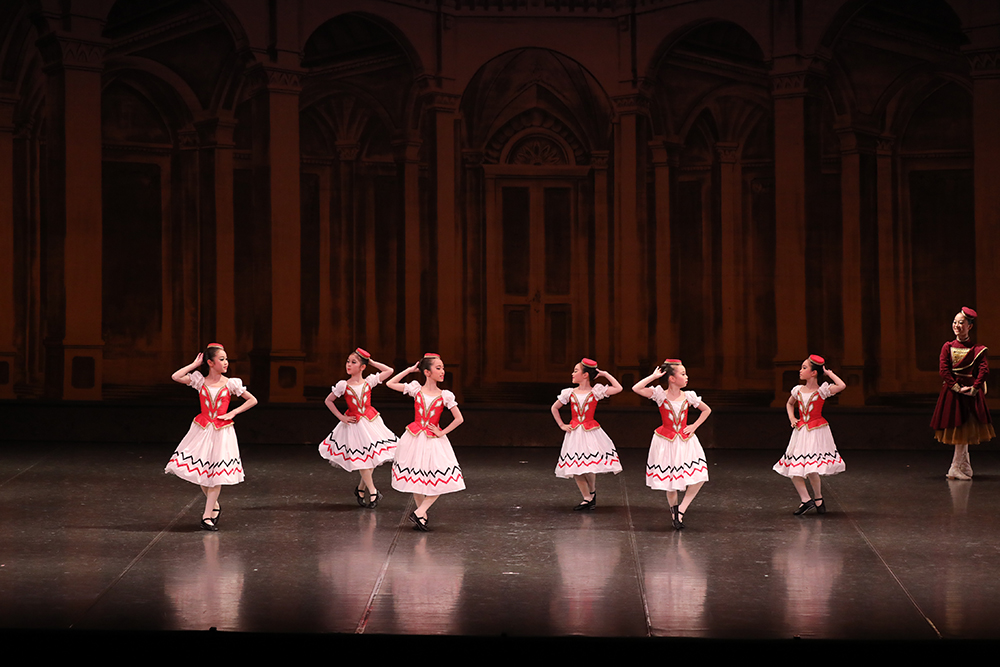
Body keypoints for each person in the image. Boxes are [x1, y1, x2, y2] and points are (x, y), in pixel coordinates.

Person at [165, 343, 257, 531]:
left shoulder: (230, 383)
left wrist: (233, 412)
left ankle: (206, 516)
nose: (226, 362)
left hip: (221, 432)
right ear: (210, 362)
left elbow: (252, 400)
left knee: (216, 475)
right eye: (221, 359)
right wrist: (194, 364)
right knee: (202, 472)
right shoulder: (200, 381)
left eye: (226, 359)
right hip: (202, 429)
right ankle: (214, 505)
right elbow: (176, 376)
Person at [386, 353, 465, 531]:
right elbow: (390, 383)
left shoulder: (445, 395)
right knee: (417, 478)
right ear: (427, 372)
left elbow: (459, 418)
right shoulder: (416, 389)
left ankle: (420, 511)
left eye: (443, 368)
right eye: (438, 368)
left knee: (441, 478)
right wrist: (410, 370)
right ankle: (421, 517)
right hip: (414, 438)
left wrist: (442, 432)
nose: (442, 371)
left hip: (433, 440)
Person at [632, 359, 711, 530]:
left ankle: (681, 509)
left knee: (700, 475)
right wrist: (654, 376)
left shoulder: (688, 396)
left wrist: (694, 426)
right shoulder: (660, 394)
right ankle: (674, 513)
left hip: (685, 441)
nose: (686, 376)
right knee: (671, 480)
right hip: (666, 440)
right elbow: (636, 388)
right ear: (672, 378)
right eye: (683, 374)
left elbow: (706, 410)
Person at [319, 348, 397, 507]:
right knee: (363, 460)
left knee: (370, 459)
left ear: (362, 367)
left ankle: (361, 488)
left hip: (370, 422)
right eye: (348, 361)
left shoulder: (369, 382)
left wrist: (371, 362)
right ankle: (373, 491)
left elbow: (389, 371)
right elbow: (328, 401)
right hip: (355, 425)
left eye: (353, 362)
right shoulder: (343, 385)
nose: (348, 364)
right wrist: (341, 417)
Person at [773, 355, 846, 515]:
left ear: (813, 373)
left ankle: (818, 499)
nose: (800, 370)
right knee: (794, 467)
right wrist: (792, 418)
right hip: (801, 431)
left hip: (815, 431)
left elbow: (841, 385)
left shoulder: (822, 391)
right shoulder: (798, 390)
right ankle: (807, 500)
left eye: (804, 368)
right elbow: (789, 403)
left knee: (811, 468)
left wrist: (828, 373)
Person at [929, 307, 995, 480]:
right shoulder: (948, 347)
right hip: (954, 393)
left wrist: (974, 388)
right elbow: (944, 370)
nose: (957, 325)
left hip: (971, 393)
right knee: (959, 428)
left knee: (965, 429)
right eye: (955, 322)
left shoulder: (977, 349)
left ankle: (962, 464)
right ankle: (956, 466)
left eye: (961, 323)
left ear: (969, 326)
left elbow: (984, 370)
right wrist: (956, 387)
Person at [551, 358, 623, 510]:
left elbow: (618, 388)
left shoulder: (595, 391)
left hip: (590, 432)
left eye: (576, 371)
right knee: (576, 467)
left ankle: (592, 493)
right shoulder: (569, 392)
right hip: (575, 433)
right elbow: (554, 408)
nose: (572, 373)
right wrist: (562, 425)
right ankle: (587, 498)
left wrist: (605, 374)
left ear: (585, 375)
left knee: (589, 465)